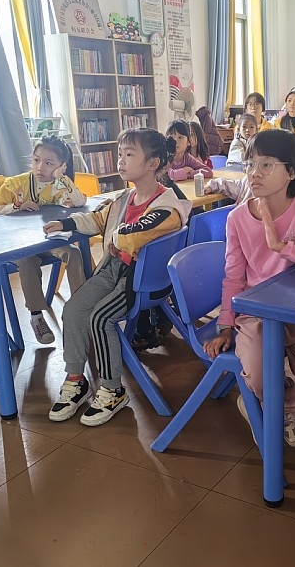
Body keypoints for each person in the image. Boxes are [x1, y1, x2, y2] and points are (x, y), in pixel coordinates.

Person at [202, 129, 295, 447]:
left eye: (266, 164)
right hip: (257, 315)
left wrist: (281, 246)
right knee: (259, 378)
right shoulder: (237, 218)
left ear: (291, 172)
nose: (254, 172)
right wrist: (225, 325)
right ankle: (275, 403)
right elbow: (233, 277)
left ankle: (270, 408)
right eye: (251, 164)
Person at [44, 129, 192, 426]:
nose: (120, 160)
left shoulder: (168, 205)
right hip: (115, 269)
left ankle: (113, 390)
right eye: (120, 153)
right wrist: (66, 223)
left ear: (152, 164)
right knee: (73, 310)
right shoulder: (125, 198)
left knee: (100, 318)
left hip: (140, 281)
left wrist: (117, 237)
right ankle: (75, 379)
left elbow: (139, 233)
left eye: (129, 154)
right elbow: (99, 219)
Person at [0, 135, 87, 344]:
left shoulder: (60, 184)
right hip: (20, 244)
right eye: (36, 160)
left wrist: (62, 177)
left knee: (74, 253)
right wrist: (15, 207)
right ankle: (36, 316)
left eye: (49, 163)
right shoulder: (15, 184)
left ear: (62, 166)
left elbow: (80, 202)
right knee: (27, 261)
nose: (40, 167)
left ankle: (80, 310)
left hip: (49, 240)